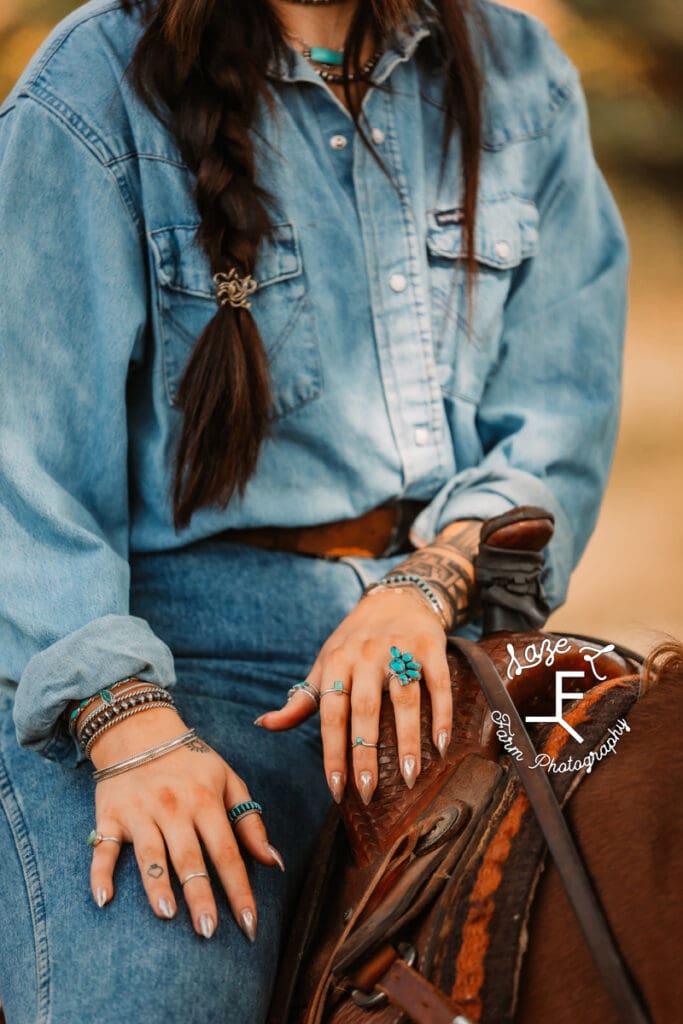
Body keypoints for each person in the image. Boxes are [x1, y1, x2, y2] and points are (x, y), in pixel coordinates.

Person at [0, 0, 628, 1019]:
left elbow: (557, 414)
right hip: (169, 657)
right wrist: (128, 726)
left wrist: (425, 582)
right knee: (164, 975)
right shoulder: (93, 82)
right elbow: (22, 462)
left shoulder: (519, 74)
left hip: (449, 635)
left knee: (642, 841)